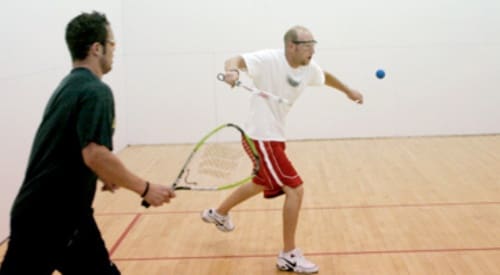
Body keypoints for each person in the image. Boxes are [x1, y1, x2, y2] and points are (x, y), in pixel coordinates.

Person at [0, 11, 175, 275]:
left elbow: (70, 146)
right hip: (55, 218)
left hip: (45, 214)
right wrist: (146, 188)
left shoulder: (68, 86)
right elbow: (94, 153)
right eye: (112, 44)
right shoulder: (96, 91)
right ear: (97, 48)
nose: (114, 51)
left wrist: (104, 173)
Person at [201, 25, 363, 274]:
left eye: (314, 44)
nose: (312, 50)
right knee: (295, 189)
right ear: (291, 46)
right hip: (260, 136)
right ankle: (288, 255)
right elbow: (234, 59)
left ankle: (219, 214)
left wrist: (348, 91)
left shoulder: (308, 68)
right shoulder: (269, 59)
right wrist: (232, 72)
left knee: (259, 182)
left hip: (272, 137)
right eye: (307, 45)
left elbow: (324, 76)